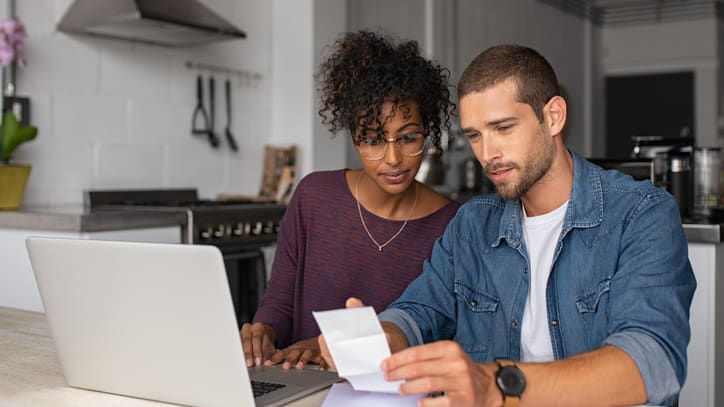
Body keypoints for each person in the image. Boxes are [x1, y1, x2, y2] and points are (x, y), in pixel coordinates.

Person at [320, 44, 696, 406]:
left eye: (503, 128)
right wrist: (380, 339)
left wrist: (498, 386)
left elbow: (652, 362)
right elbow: (420, 311)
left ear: (553, 117)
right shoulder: (472, 223)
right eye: (475, 135)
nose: (487, 154)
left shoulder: (642, 214)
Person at [240, 31, 459, 371]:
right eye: (372, 140)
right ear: (354, 140)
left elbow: (435, 334)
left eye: (408, 137)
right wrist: (263, 331)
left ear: (427, 134)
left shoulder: (452, 225)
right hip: (299, 386)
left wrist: (332, 348)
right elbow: (280, 302)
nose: (392, 158)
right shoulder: (314, 196)